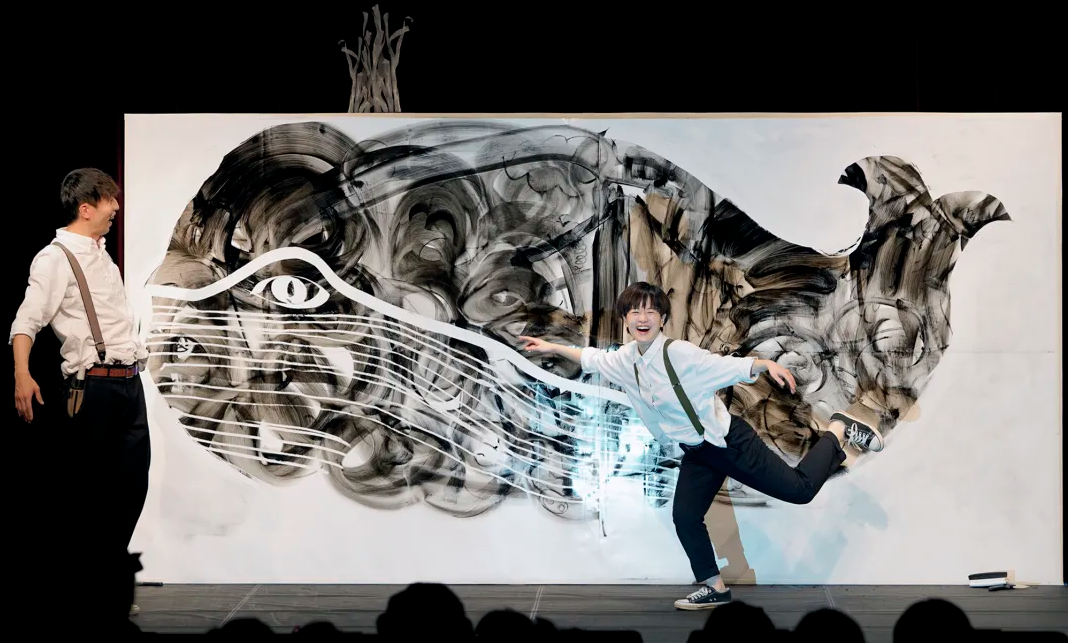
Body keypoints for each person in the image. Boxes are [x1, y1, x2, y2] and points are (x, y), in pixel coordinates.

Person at [519, 281, 884, 610]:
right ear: (625, 319)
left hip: (727, 442)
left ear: (662, 319)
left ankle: (838, 429)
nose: (643, 318)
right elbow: (591, 358)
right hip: (697, 452)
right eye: (635, 312)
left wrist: (763, 365)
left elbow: (722, 366)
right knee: (685, 517)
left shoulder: (678, 353)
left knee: (799, 491)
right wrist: (549, 346)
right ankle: (715, 587)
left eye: (651, 312)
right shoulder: (625, 359)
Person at [10, 168, 149, 616]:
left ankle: (105, 579)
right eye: (109, 200)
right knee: (92, 492)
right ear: (86, 208)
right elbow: (27, 320)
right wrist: (22, 375)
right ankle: (90, 591)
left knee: (132, 484)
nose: (116, 207)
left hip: (128, 382)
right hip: (92, 389)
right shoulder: (54, 258)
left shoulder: (104, 258)